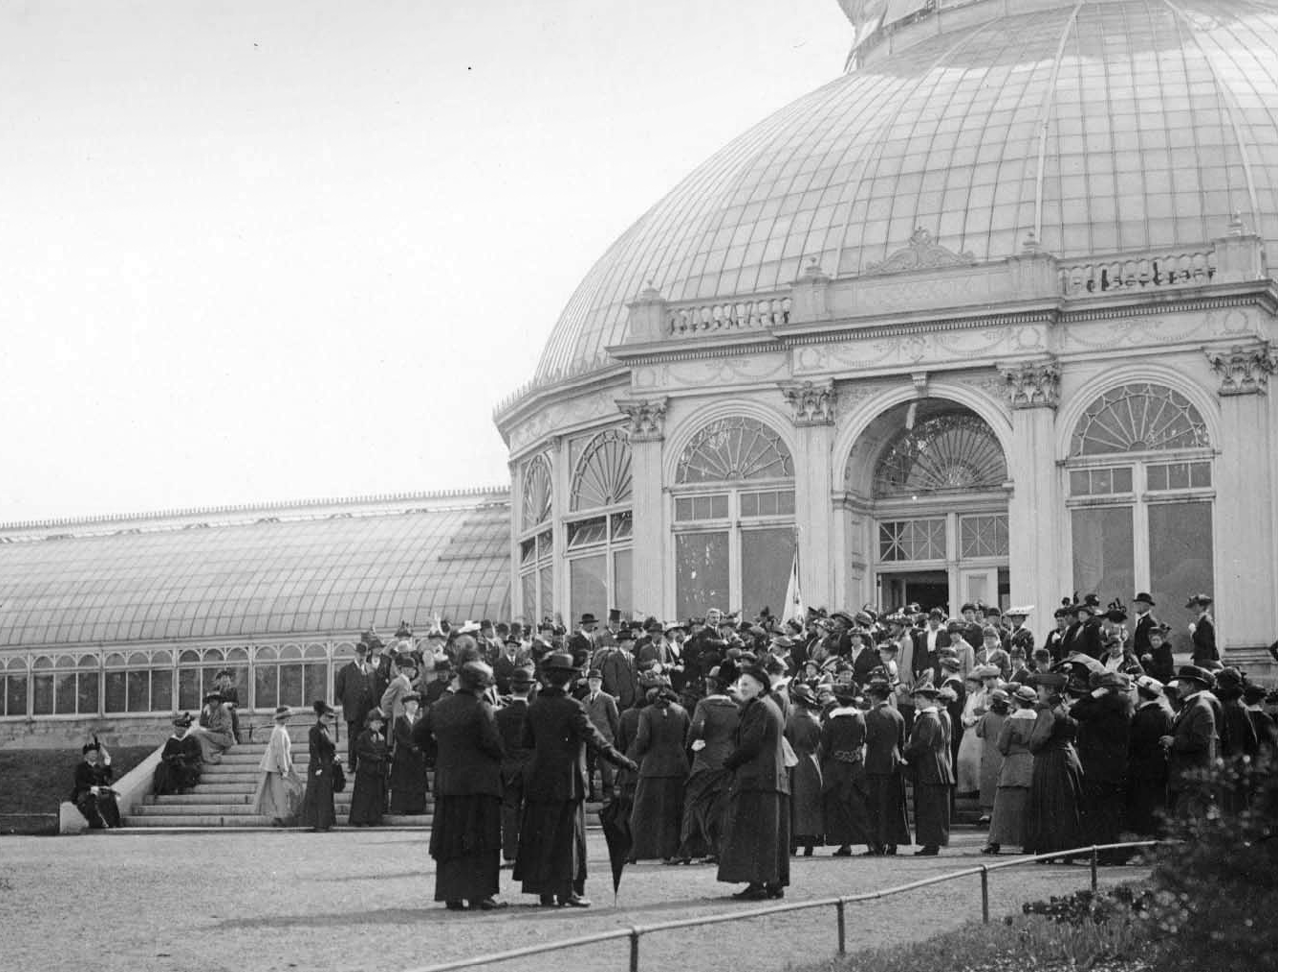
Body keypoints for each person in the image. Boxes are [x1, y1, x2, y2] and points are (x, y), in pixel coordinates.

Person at [513, 653, 636, 908]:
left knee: (543, 835)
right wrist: (624, 761)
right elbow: (597, 740)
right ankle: (567, 890)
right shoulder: (572, 707)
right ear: (569, 680)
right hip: (568, 782)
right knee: (568, 838)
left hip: (539, 783)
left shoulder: (534, 707)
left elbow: (524, 744)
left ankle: (545, 891)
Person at [423, 660, 508, 911]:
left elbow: (417, 732)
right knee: (481, 840)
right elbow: (494, 745)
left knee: (451, 840)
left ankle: (452, 895)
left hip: (448, 785)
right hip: (480, 786)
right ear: (481, 686)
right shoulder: (482, 708)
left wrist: (439, 755)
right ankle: (480, 894)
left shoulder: (440, 706)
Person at [717, 664, 791, 900]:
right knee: (771, 834)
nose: (742, 688)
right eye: (740, 684)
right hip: (773, 779)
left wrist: (727, 764)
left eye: (746, 684)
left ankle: (757, 883)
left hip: (756, 779)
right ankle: (774, 883)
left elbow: (750, 745)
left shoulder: (759, 707)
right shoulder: (772, 705)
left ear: (761, 686)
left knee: (753, 833)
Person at [676, 666, 739, 864]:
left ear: (710, 686)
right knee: (720, 806)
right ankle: (717, 850)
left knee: (692, 802)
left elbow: (696, 727)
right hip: (728, 760)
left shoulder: (704, 705)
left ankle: (685, 851)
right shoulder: (736, 706)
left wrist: (692, 745)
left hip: (705, 760)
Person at [1070, 671, 1133, 861]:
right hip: (1117, 766)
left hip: (1097, 766)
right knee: (1113, 811)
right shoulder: (1126, 707)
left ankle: (1103, 852)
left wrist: (1092, 696)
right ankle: (1114, 853)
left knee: (1098, 812)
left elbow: (1075, 710)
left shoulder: (1101, 707)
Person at [629, 681, 690, 864]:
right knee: (675, 810)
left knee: (644, 811)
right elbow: (689, 736)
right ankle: (675, 850)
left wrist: (639, 752)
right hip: (678, 766)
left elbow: (642, 739)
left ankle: (638, 851)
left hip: (653, 767)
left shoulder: (646, 713)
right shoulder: (681, 711)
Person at [1023, 682, 1084, 858]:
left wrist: (1033, 748)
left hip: (1050, 759)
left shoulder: (1046, 711)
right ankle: (1069, 850)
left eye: (1040, 690)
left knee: (1048, 804)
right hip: (1070, 757)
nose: (1038, 694)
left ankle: (1048, 850)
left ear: (1050, 691)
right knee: (1067, 804)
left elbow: (1037, 740)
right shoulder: (1067, 708)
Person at [983, 685, 1037, 854]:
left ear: (1018, 702)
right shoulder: (1038, 718)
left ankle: (996, 842)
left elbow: (1002, 745)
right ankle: (1028, 842)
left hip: (1012, 765)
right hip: (1032, 763)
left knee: (1004, 805)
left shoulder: (1011, 720)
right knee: (1028, 805)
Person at [818, 682, 869, 857]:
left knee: (839, 807)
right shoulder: (860, 717)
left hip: (836, 768)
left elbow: (824, 744)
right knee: (857, 806)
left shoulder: (832, 719)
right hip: (855, 766)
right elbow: (863, 739)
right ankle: (870, 843)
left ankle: (845, 844)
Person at [1161, 665, 1218, 818]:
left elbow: (1201, 740)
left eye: (1181, 685)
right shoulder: (1190, 705)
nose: (1177, 688)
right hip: (1185, 775)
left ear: (1191, 686)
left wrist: (1174, 741)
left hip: (1193, 776)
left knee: (1190, 818)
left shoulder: (1200, 708)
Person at [862, 678, 909, 856]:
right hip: (894, 764)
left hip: (875, 765)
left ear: (874, 697)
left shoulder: (871, 716)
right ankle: (893, 842)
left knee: (876, 806)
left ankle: (878, 844)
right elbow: (901, 742)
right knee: (892, 805)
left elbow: (868, 739)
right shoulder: (898, 715)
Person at [904, 681, 952, 856]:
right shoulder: (925, 717)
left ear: (930, 700)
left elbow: (923, 744)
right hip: (928, 768)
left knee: (932, 807)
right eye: (916, 697)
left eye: (921, 698)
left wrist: (906, 754)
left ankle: (933, 844)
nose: (917, 701)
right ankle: (930, 843)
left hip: (932, 768)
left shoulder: (930, 718)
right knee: (928, 807)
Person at [496, 668, 535, 866]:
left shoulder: (500, 715)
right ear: (531, 689)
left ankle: (510, 855)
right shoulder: (535, 713)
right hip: (531, 769)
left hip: (508, 768)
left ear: (511, 688)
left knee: (509, 812)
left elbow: (496, 743)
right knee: (532, 812)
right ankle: (530, 854)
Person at [1126, 676, 1173, 836]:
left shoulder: (1139, 716)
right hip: (1160, 766)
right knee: (1157, 804)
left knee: (1142, 805)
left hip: (1140, 767)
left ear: (1140, 693)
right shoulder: (1165, 714)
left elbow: (1133, 742)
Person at [784, 684, 825, 857]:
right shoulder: (815, 721)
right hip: (812, 762)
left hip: (792, 762)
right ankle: (810, 843)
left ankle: (792, 843)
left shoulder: (789, 720)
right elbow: (819, 743)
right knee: (811, 804)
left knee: (792, 804)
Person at [253, 705, 302, 826]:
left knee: (281, 792)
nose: (289, 719)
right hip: (276, 767)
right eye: (287, 717)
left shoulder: (280, 729)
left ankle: (281, 817)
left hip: (277, 765)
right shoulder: (279, 731)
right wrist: (284, 768)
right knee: (280, 793)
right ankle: (280, 818)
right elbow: (280, 751)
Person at [335, 642, 377, 771]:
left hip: (368, 711)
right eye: (360, 654)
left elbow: (373, 690)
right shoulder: (346, 670)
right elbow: (339, 692)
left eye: (364, 655)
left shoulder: (370, 669)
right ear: (355, 653)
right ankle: (351, 764)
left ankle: (365, 764)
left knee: (368, 737)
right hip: (353, 711)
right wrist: (350, 703)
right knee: (353, 738)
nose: (362, 657)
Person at [975, 688, 1011, 826]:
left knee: (987, 783)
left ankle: (986, 813)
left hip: (989, 752)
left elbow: (978, 732)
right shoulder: (1009, 717)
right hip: (1004, 754)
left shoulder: (987, 716)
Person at [582, 669, 620, 802]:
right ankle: (590, 795)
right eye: (592, 681)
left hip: (605, 739)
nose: (594, 683)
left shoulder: (608, 699)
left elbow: (615, 720)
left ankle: (608, 794)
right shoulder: (585, 700)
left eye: (597, 681)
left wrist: (616, 739)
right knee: (589, 768)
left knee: (606, 768)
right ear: (588, 682)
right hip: (589, 740)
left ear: (601, 683)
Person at [301, 700, 338, 832]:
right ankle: (318, 823)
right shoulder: (315, 730)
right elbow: (314, 750)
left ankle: (325, 822)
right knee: (319, 796)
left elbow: (330, 748)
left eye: (330, 717)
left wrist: (335, 756)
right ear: (321, 716)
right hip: (319, 767)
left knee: (326, 796)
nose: (329, 719)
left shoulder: (325, 730)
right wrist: (318, 767)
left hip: (327, 766)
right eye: (327, 717)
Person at [389, 693, 428, 815]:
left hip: (416, 757)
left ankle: (416, 807)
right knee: (402, 782)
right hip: (403, 755)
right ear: (405, 705)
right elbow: (398, 736)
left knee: (416, 781)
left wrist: (419, 747)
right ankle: (400, 807)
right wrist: (410, 746)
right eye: (412, 704)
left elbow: (423, 736)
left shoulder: (419, 720)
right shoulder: (400, 720)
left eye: (416, 704)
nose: (414, 706)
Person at [348, 708, 389, 826]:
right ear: (370, 723)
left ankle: (374, 818)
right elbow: (359, 751)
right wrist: (373, 757)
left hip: (377, 770)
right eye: (376, 723)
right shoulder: (363, 736)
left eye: (380, 723)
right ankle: (360, 819)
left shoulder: (381, 737)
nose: (378, 726)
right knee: (363, 796)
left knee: (375, 796)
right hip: (366, 770)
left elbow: (384, 751)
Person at [71, 739, 120, 829]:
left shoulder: (99, 767)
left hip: (99, 792)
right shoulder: (81, 767)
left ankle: (113, 823)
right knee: (92, 801)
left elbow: (108, 777)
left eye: (95, 753)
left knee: (110, 797)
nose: (94, 755)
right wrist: (91, 788)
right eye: (92, 753)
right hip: (85, 793)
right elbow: (79, 783)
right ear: (86, 755)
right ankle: (100, 822)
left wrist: (108, 762)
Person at [152, 713, 202, 797]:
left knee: (183, 768)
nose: (177, 731)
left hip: (189, 762)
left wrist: (185, 756)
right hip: (174, 762)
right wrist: (170, 757)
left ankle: (179, 788)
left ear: (184, 730)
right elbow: (164, 754)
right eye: (176, 729)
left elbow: (198, 752)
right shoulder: (172, 741)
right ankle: (162, 789)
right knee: (161, 766)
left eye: (180, 730)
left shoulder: (192, 739)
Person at [190, 691, 235, 764]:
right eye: (209, 702)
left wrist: (208, 730)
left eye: (213, 701)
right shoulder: (212, 711)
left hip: (225, 737)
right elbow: (203, 723)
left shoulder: (223, 710)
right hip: (216, 736)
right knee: (195, 734)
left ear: (218, 701)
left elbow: (223, 727)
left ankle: (210, 758)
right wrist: (204, 713)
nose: (210, 703)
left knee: (199, 734)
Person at [1185, 594, 1218, 665]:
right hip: (1203, 658)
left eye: (1195, 606)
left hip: (1205, 660)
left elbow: (1203, 641)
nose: (1193, 609)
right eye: (1192, 607)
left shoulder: (1205, 621)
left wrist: (1193, 631)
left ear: (1202, 606)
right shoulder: (1203, 620)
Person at [214, 668, 242, 744]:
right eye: (223, 678)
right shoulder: (216, 690)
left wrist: (230, 704)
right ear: (220, 680)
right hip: (219, 710)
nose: (225, 680)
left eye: (226, 678)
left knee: (234, 715)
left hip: (230, 710)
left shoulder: (233, 689)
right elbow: (212, 702)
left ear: (229, 679)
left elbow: (237, 703)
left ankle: (237, 738)